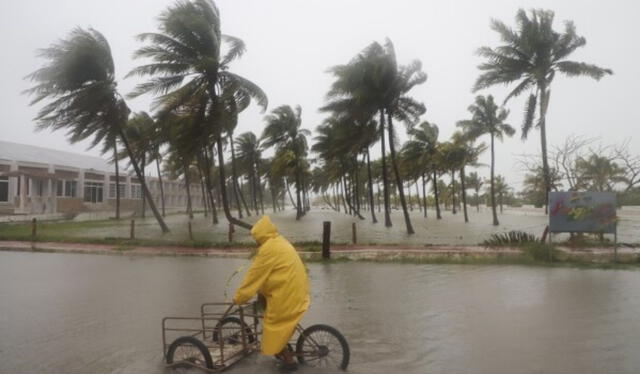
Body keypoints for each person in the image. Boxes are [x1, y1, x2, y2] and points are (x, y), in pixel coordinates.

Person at [233, 216, 310, 371]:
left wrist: (239, 298)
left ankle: (289, 362)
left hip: (287, 295)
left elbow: (253, 277)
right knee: (264, 300)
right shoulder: (280, 241)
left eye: (256, 238)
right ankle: (283, 346)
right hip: (298, 291)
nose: (256, 242)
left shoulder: (268, 250)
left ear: (261, 236)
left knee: (272, 327)